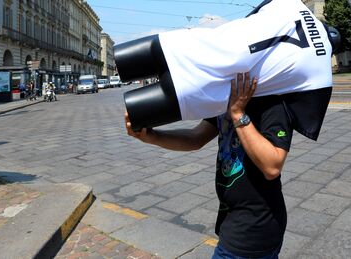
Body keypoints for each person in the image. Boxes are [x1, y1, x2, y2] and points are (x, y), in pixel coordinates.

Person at [125, 72, 292, 258]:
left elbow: (272, 166)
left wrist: (238, 114)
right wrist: (153, 136)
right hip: (233, 219)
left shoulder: (271, 100)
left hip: (254, 226)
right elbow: (196, 137)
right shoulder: (227, 99)